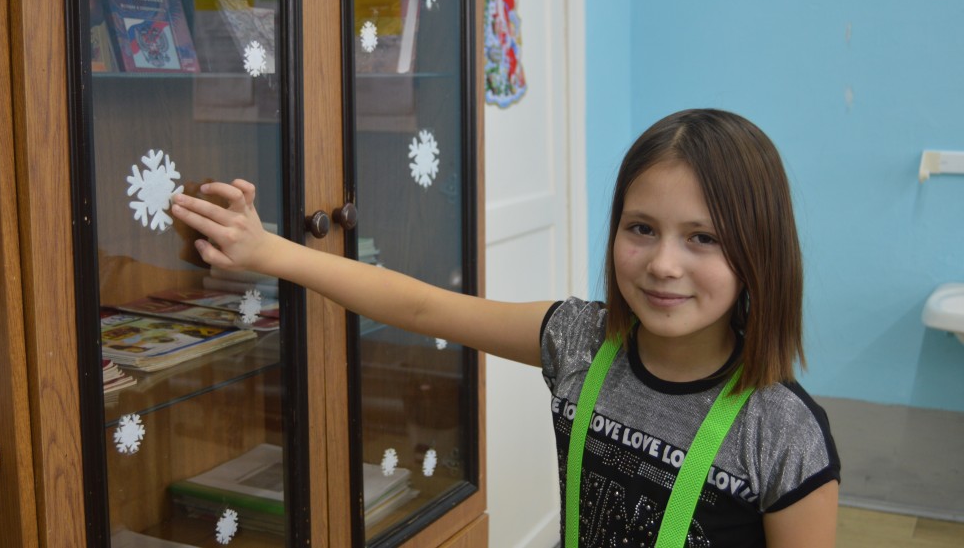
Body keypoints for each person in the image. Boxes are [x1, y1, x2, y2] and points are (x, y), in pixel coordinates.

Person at [170, 108, 840, 547]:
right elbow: (423, 308)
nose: (664, 263)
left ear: (760, 251)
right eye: (641, 228)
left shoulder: (782, 434)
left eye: (702, 238)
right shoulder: (579, 342)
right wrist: (269, 251)